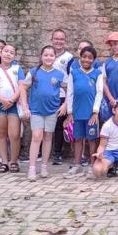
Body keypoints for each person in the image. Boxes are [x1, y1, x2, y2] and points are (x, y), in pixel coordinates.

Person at [21, 45, 66, 180]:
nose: (48, 57)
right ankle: (32, 168)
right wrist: (25, 107)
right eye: (46, 55)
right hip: (36, 110)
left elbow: (69, 90)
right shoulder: (34, 72)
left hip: (52, 110)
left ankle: (44, 166)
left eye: (51, 55)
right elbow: (23, 87)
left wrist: (65, 105)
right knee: (36, 136)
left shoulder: (59, 74)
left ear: (55, 57)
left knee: (48, 137)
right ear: (41, 56)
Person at [64, 45, 104, 177]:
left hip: (91, 113)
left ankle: (92, 166)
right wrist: (70, 112)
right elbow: (70, 92)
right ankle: (77, 165)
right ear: (80, 58)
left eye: (90, 57)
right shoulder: (74, 73)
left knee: (91, 139)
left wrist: (95, 112)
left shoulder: (97, 74)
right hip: (77, 112)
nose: (87, 60)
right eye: (84, 57)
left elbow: (99, 93)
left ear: (94, 60)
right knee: (78, 138)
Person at [0, 43, 26, 173]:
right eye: (6, 51)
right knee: (1, 133)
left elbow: (21, 86)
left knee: (14, 134)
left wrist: (12, 100)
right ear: (1, 53)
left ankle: (13, 161)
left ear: (14, 56)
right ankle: (4, 161)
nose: (8, 54)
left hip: (13, 104)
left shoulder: (17, 69)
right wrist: (2, 100)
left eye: (11, 52)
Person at [50, 29, 73, 165]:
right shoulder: (48, 54)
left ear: (65, 41)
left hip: (62, 96)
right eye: (56, 38)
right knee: (46, 124)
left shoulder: (69, 58)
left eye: (61, 39)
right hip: (47, 95)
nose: (59, 41)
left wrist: (67, 102)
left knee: (58, 125)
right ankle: (42, 151)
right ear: (52, 40)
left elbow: (71, 79)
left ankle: (57, 153)